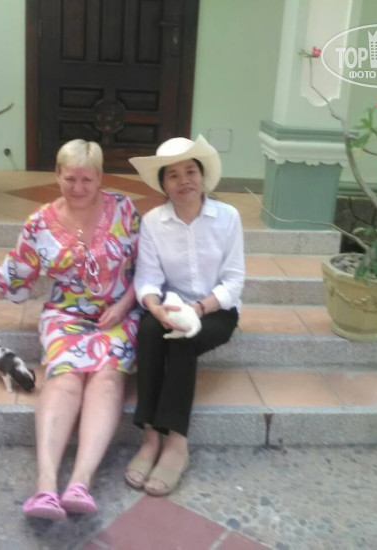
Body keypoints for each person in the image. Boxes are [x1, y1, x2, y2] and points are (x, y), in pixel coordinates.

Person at [0, 139, 140, 520]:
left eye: (87, 180)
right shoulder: (40, 223)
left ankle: (80, 483)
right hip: (66, 316)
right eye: (70, 178)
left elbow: (149, 268)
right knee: (65, 379)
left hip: (118, 316)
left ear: (100, 178)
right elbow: (9, 274)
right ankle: (45, 487)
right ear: (57, 175)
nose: (78, 188)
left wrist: (124, 305)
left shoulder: (124, 210)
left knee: (107, 378)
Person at [125, 135, 245, 496]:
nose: (183, 181)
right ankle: (150, 436)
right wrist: (154, 306)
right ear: (163, 184)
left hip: (216, 309)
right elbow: (148, 278)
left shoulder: (227, 217)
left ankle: (176, 442)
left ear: (202, 176)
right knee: (149, 331)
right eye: (173, 175)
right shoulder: (153, 222)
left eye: (190, 171)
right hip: (172, 304)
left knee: (183, 341)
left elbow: (234, 281)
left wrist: (200, 308)